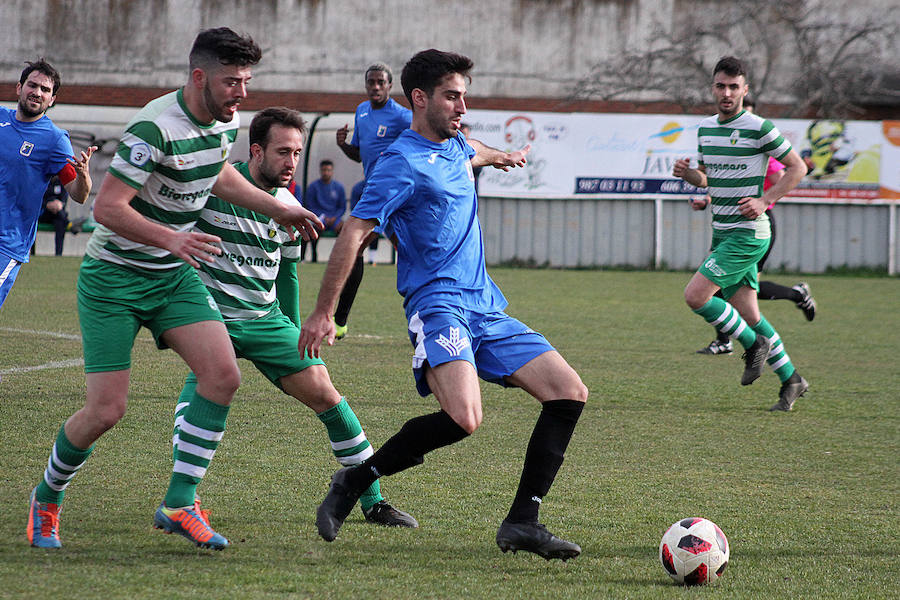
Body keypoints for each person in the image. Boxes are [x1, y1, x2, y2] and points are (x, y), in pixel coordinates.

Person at [26, 27, 322, 551]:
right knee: (107, 411)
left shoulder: (222, 125)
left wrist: (283, 207)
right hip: (114, 279)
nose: (242, 94)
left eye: (247, 81)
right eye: (232, 81)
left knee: (222, 376)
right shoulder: (153, 128)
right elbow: (106, 208)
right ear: (200, 77)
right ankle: (47, 498)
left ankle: (179, 504)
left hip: (171, 277)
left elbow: (215, 177)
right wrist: (175, 239)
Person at [300, 49, 588, 560]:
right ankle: (353, 482)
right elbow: (353, 232)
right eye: (452, 96)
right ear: (419, 98)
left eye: (464, 95)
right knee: (462, 418)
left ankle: (523, 521)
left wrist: (500, 155)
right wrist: (326, 312)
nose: (462, 106)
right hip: (438, 305)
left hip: (485, 306)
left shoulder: (455, 143)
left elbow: (471, 148)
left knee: (568, 392)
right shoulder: (399, 164)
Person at [174, 106, 416, 530]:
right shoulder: (216, 186)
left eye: (298, 152)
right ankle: (182, 501)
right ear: (255, 151)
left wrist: (292, 329)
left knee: (328, 395)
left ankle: (372, 499)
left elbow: (286, 273)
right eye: (283, 152)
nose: (292, 162)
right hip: (212, 321)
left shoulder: (290, 206)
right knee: (206, 397)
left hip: (266, 320)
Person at [673, 56, 809, 412]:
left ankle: (752, 346)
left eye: (734, 87)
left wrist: (766, 200)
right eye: (721, 86)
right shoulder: (706, 129)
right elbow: (707, 178)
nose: (727, 93)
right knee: (750, 314)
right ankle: (792, 379)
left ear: (745, 90)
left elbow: (798, 167)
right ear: (713, 88)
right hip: (722, 232)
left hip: (749, 234)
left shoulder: (759, 127)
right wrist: (691, 177)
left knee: (696, 296)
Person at [692, 98, 817, 356]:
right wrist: (708, 198)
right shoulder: (718, 138)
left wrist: (762, 201)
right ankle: (784, 368)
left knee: (719, 286)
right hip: (730, 224)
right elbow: (727, 183)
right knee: (737, 290)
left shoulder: (761, 147)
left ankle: (734, 340)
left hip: (754, 226)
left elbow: (782, 178)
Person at [0, 58, 94, 306]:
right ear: (19, 88)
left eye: (45, 90)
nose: (37, 92)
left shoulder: (54, 140)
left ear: (52, 100)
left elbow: (78, 194)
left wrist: (83, 175)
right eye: (33, 85)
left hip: (6, 242)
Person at [332, 62, 412, 339]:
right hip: (372, 192)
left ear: (390, 86)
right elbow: (362, 154)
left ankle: (427, 316)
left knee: (405, 253)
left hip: (396, 194)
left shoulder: (403, 117)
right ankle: (340, 322)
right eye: (371, 82)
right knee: (356, 250)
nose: (376, 87)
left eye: (381, 82)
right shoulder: (361, 111)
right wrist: (344, 145)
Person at [301, 159, 346, 263]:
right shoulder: (313, 187)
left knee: (345, 229)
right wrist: (322, 216)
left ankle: (342, 257)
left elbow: (342, 207)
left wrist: (335, 217)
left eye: (328, 170)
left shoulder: (339, 187)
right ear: (320, 171)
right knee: (310, 228)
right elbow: (309, 205)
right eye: (324, 170)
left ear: (332, 171)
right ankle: (311, 256)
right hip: (320, 218)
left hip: (335, 219)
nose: (326, 172)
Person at [36, 176, 71, 256]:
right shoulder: (43, 180)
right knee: (61, 217)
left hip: (56, 214)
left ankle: (58, 254)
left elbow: (64, 199)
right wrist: (48, 205)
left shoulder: (61, 182)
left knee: (60, 223)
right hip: (44, 213)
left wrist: (58, 205)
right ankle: (69, 224)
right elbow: (38, 199)